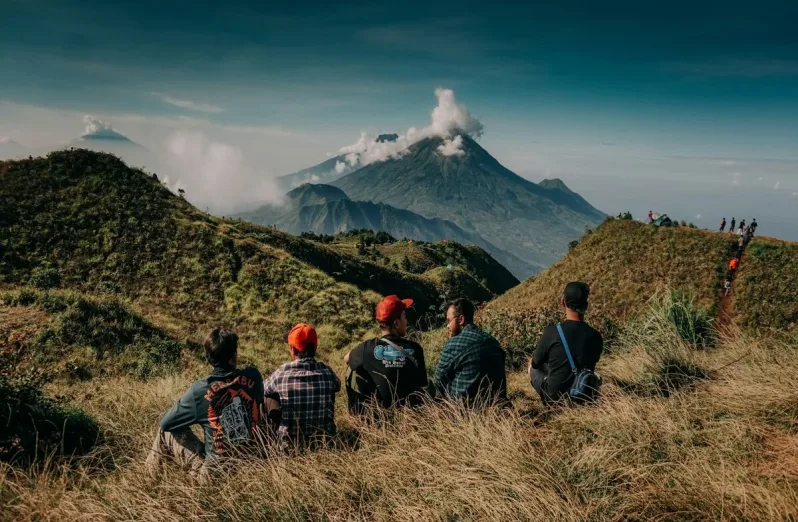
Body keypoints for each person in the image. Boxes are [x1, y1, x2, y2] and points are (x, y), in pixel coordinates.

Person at [145, 328, 264, 481]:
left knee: (165, 432)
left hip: (214, 477)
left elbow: (166, 423)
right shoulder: (254, 376)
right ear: (234, 356)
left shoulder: (199, 391)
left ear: (209, 358)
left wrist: (199, 447)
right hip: (252, 466)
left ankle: (147, 483)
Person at [263, 323, 340, 445]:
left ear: (293, 349)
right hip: (325, 442)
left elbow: (262, 389)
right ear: (314, 348)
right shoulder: (327, 372)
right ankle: (325, 429)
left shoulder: (281, 374)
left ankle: (273, 437)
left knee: (268, 396)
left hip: (290, 445)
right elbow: (337, 385)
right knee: (331, 389)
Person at [345, 295, 428, 409]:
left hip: (381, 414)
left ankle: (359, 412)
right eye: (404, 316)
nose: (406, 320)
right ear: (396, 323)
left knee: (352, 369)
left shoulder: (366, 348)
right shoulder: (415, 349)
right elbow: (423, 385)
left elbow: (346, 358)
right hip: (410, 415)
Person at [529, 282, 604, 405]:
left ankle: (547, 404)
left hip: (554, 397)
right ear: (586, 306)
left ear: (563, 302)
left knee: (531, 365)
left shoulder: (552, 332)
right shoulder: (596, 337)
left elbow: (536, 364)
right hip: (583, 396)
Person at [432, 298, 508, 406]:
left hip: (465, 411)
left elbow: (438, 381)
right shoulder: (493, 342)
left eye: (449, 321)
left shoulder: (453, 344)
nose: (447, 326)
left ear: (461, 319)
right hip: (497, 406)